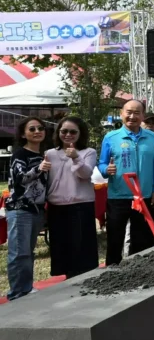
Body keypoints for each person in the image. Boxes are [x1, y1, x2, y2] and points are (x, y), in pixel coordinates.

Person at [100, 100, 154, 263]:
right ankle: (112, 273)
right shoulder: (111, 137)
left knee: (141, 240)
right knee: (115, 239)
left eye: (137, 113)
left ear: (142, 115)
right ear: (121, 113)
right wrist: (106, 170)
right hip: (118, 197)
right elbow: (101, 164)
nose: (132, 116)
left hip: (144, 196)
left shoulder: (152, 137)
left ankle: (138, 272)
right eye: (128, 112)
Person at [44, 117, 98, 279]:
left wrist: (76, 157)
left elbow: (86, 174)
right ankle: (67, 279)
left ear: (80, 133)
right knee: (62, 247)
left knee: (82, 248)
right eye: (64, 131)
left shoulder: (88, 152)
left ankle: (84, 279)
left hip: (81, 205)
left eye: (73, 131)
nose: (68, 135)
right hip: (57, 206)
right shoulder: (50, 154)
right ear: (58, 133)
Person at [5, 118, 49, 300]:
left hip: (37, 210)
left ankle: (27, 288)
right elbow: (20, 179)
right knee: (19, 252)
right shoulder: (19, 154)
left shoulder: (45, 154)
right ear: (23, 134)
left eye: (40, 128)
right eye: (32, 129)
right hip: (20, 209)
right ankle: (17, 293)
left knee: (28, 252)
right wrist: (39, 168)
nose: (37, 131)